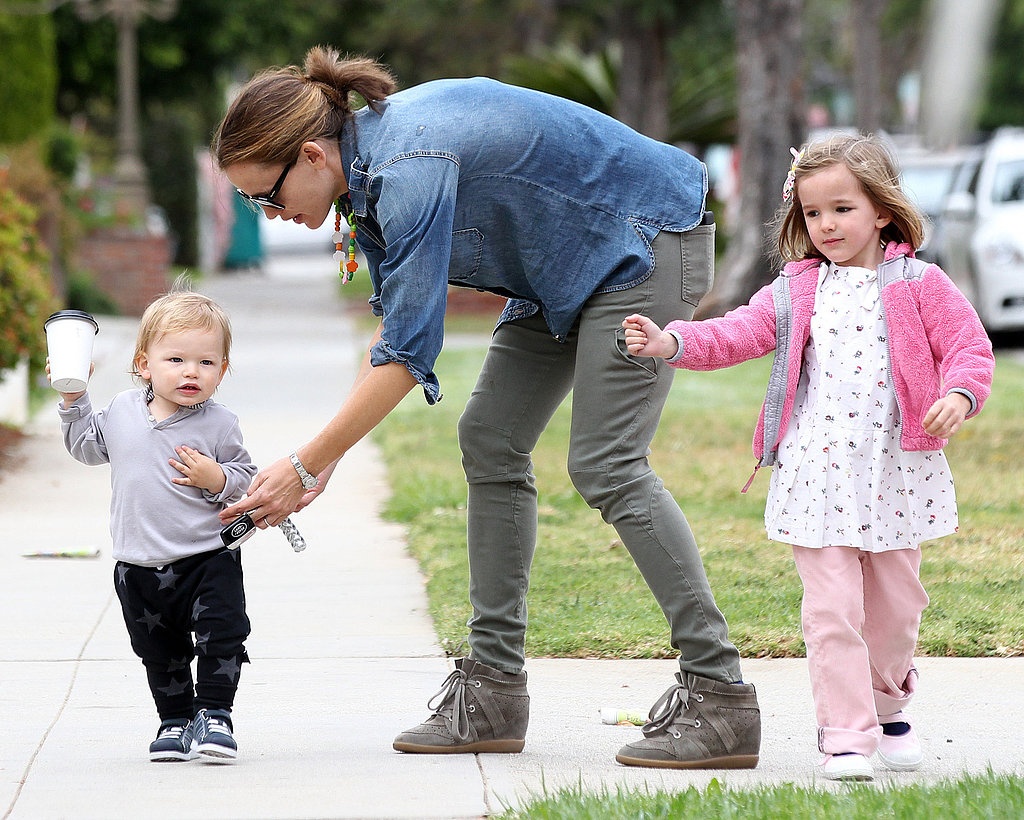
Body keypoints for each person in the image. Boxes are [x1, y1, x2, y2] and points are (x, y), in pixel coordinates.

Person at [211, 45, 761, 769]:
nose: (270, 214)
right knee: (491, 437)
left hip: (643, 244)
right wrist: (325, 462)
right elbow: (393, 331)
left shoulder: (406, 167)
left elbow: (410, 355)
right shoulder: (368, 175)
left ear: (312, 155)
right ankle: (493, 691)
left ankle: (721, 697)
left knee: (606, 464)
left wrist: (304, 463)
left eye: (266, 195)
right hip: (561, 265)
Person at [623, 133, 995, 780]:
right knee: (832, 613)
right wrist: (671, 341)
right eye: (814, 213)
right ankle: (846, 736)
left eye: (842, 209)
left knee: (896, 612)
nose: (827, 225)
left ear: (881, 210)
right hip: (817, 476)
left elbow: (969, 348)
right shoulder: (798, 290)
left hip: (895, 475)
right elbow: (739, 331)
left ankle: (890, 707)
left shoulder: (920, 285)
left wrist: (960, 395)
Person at [53, 282, 257, 763]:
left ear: (222, 370)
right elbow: (86, 448)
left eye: (207, 363)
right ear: (143, 363)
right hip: (139, 563)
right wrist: (73, 398)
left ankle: (215, 716)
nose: (192, 372)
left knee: (222, 636)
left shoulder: (219, 424)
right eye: (176, 360)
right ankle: (175, 720)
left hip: (208, 557)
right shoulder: (121, 412)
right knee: (158, 648)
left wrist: (217, 477)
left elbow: (245, 478)